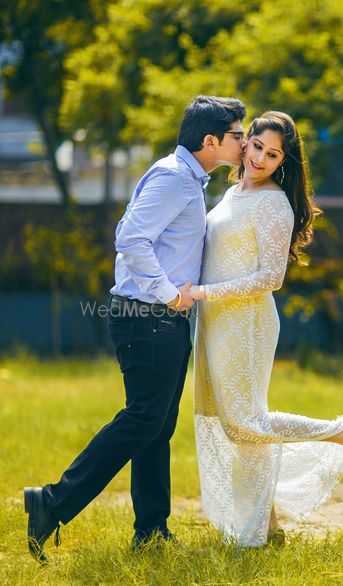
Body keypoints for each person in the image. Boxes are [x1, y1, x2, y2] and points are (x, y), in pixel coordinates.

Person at [24, 96, 247, 562]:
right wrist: (169, 294)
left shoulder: (186, 177)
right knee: (144, 419)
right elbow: (129, 239)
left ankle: (151, 529)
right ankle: (51, 502)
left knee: (157, 427)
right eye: (237, 135)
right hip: (147, 317)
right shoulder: (173, 178)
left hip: (162, 319)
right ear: (211, 141)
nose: (243, 142)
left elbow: (136, 230)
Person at [189, 111, 343, 547]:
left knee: (244, 423)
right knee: (233, 426)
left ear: (283, 162)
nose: (259, 158)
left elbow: (270, 278)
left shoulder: (274, 202)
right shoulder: (234, 190)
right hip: (216, 321)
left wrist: (201, 292)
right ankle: (267, 527)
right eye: (256, 146)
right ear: (246, 141)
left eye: (272, 154)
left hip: (246, 322)